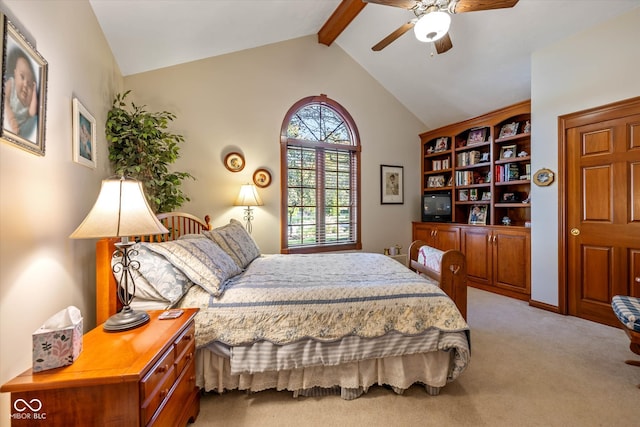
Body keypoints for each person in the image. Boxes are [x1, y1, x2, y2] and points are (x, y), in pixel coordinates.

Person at [3, 47, 38, 140]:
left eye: (30, 83)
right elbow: (4, 98)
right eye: (22, 77)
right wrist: (11, 119)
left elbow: (32, 113)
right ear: (15, 74)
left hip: (20, 129)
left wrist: (34, 91)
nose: (26, 84)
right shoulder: (12, 83)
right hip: (9, 122)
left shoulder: (28, 102)